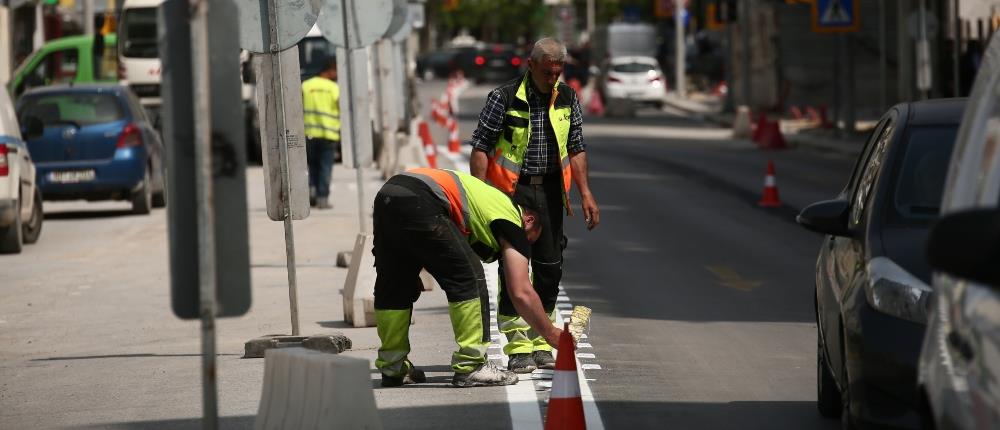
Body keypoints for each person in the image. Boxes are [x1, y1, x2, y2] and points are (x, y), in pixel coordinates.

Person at [469, 37, 600, 373]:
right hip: (512, 194)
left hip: (552, 193)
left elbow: (577, 147)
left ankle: (542, 341)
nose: (552, 79)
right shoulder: (504, 97)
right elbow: (481, 147)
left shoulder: (568, 97)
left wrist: (585, 193)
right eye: (546, 73)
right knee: (514, 268)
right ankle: (518, 346)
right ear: (530, 66)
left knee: (549, 266)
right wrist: (480, 197)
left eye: (557, 73)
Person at [373, 168, 564, 388]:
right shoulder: (511, 216)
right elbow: (521, 291)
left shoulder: (483, 203)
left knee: (394, 286)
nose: (522, 247)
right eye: (528, 240)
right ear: (528, 220)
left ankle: (393, 367)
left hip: (389, 193)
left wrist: (409, 268)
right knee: (469, 281)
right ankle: (471, 366)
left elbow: (430, 244)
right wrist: (550, 334)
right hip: (425, 198)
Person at [301, 57, 341, 209]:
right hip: (328, 135)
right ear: (330, 71)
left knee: (312, 166)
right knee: (325, 167)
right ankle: (322, 198)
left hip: (309, 133)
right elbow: (340, 106)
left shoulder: (306, 85)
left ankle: (311, 193)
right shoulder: (333, 88)